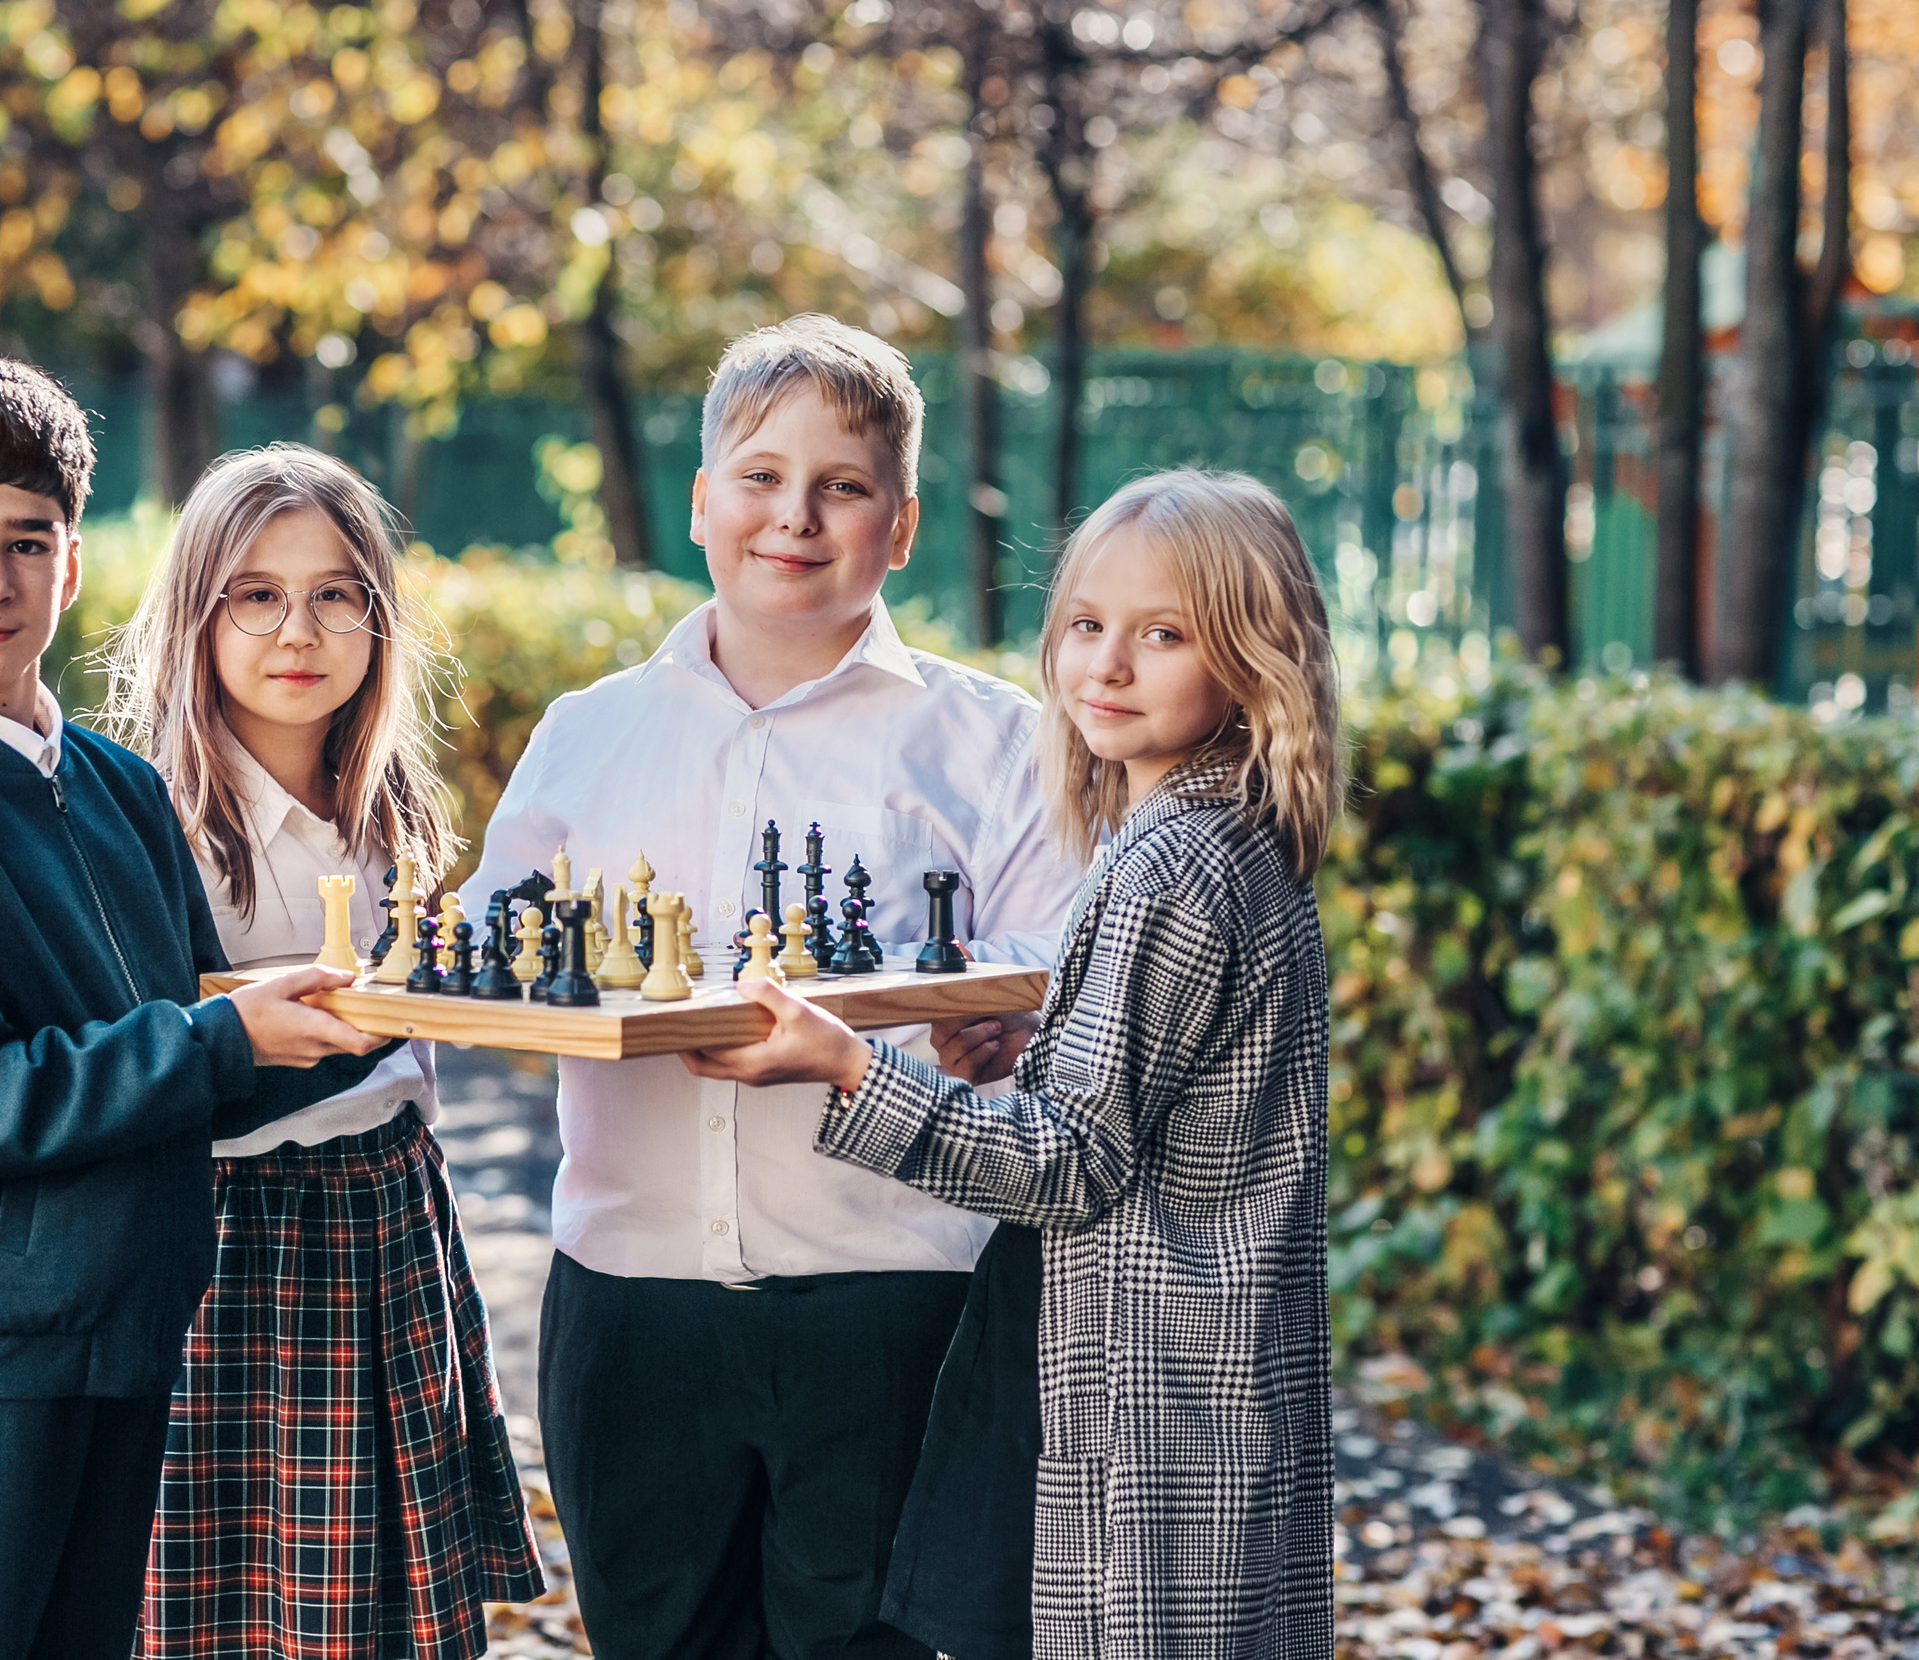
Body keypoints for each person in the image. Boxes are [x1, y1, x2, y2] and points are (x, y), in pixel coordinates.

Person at [457, 315, 1080, 1660]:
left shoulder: (998, 746)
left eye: (842, 486)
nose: (794, 516)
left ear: (900, 527)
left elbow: (1064, 1018)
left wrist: (1010, 1024)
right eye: (759, 476)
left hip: (896, 1302)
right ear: (700, 502)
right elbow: (486, 954)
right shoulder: (585, 735)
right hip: (629, 1303)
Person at [682, 468, 1341, 1660]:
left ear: (1255, 658)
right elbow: (1171, 1097)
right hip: (1218, 1382)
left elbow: (1068, 1168)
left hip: (1148, 1400)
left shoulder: (1168, 869)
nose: (1107, 666)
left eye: (1163, 634)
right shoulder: (1231, 839)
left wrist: (847, 1068)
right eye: (1085, 624)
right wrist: (1052, 1045)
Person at [0, 353, 391, 1660]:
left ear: (71, 568)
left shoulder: (121, 789)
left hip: (126, 1332)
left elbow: (198, 1061)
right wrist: (222, 1034)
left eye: (27, 542)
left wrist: (400, 1010)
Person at [96, 445, 546, 1660]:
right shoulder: (142, 816)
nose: (298, 631)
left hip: (387, 1214)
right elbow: (137, 1067)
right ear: (195, 616)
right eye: (254, 594)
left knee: (373, 1615)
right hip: (224, 1237)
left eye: (336, 594)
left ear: (377, 618)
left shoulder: (394, 808)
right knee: (217, 1611)